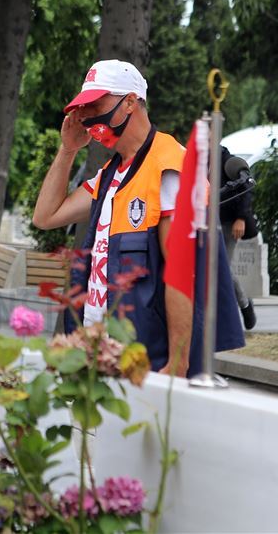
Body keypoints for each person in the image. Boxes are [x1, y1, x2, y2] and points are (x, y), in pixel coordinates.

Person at [32, 59, 244, 377]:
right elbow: (47, 216)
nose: (86, 117)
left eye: (94, 105)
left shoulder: (169, 166)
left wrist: (178, 362)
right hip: (101, 353)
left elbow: (183, 274)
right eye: (83, 108)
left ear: (130, 102)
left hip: (147, 362)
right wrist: (68, 150)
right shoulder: (111, 173)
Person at [219, 146, 257, 330]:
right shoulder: (192, 160)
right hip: (202, 223)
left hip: (227, 223)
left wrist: (241, 217)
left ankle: (244, 305)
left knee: (223, 267)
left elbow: (246, 186)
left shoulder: (227, 160)